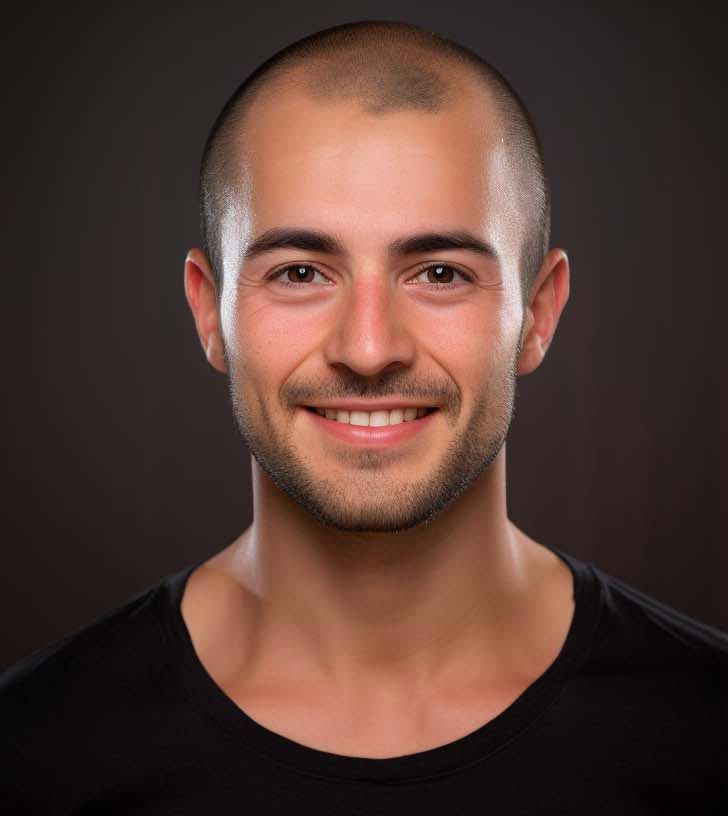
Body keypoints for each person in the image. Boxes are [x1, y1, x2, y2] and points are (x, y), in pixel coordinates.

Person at [2, 19, 726, 814]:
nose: (369, 348)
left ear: (538, 314)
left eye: (440, 272)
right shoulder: (35, 752)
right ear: (210, 313)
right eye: (302, 271)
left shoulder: (704, 733)